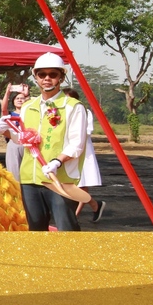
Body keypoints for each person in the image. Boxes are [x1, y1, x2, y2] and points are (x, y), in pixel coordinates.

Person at [16, 53, 87, 232]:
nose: (47, 78)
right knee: (36, 230)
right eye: (42, 74)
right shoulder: (27, 107)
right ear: (35, 77)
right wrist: (7, 131)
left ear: (61, 77)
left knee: (66, 229)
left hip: (59, 179)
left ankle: (71, 260)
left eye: (52, 74)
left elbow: (77, 144)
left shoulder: (73, 106)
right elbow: (23, 140)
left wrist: (57, 161)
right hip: (29, 178)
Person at [63, 88, 106, 222]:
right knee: (66, 183)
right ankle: (94, 204)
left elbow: (86, 131)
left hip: (82, 151)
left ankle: (75, 215)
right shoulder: (56, 113)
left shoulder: (84, 112)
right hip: (64, 151)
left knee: (82, 182)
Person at [0, 84, 29, 181]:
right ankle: (17, 193)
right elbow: (3, 109)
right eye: (17, 98)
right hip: (13, 143)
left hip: (28, 144)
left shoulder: (31, 113)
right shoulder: (9, 115)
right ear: (13, 102)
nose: (19, 100)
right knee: (14, 174)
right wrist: (7, 93)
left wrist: (27, 95)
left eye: (22, 98)